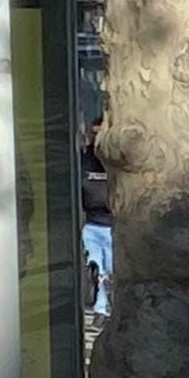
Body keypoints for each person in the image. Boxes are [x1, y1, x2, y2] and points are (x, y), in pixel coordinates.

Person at [81, 116, 112, 328]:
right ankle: (100, 309)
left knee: (109, 270)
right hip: (90, 225)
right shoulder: (84, 160)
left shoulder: (115, 162)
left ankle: (108, 306)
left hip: (112, 227)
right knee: (98, 269)